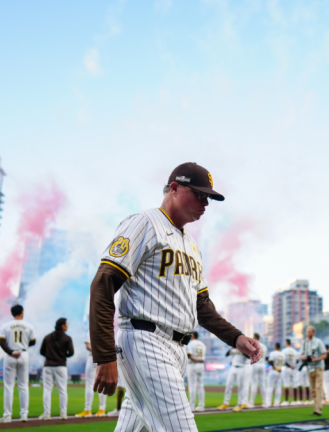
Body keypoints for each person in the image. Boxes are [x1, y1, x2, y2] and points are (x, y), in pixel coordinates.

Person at [89, 162, 261, 432]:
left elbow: (201, 307)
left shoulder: (191, 245)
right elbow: (103, 283)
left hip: (177, 349)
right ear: (174, 188)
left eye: (209, 198)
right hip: (145, 341)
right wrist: (105, 354)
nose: (206, 203)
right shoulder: (143, 223)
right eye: (200, 194)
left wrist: (236, 337)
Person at [0, 304, 37, 423]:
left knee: (9, 386)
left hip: (10, 355)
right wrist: (22, 348)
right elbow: (33, 341)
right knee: (23, 385)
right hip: (23, 354)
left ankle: (7, 415)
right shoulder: (28, 325)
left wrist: (11, 352)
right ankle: (24, 414)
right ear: (22, 312)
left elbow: (1, 342)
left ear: (12, 313)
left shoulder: (5, 326)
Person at [39, 318, 74, 420]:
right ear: (62, 326)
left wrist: (50, 355)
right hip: (61, 366)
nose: (68, 326)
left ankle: (47, 414)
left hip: (48, 365)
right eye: (67, 324)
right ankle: (63, 413)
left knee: (47, 390)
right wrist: (62, 355)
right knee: (63, 390)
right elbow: (71, 353)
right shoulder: (67, 338)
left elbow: (42, 351)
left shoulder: (47, 337)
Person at [76, 327, 108, 418]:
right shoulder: (106, 329)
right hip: (104, 358)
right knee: (102, 384)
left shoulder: (92, 329)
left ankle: (87, 410)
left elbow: (88, 346)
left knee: (90, 384)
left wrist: (97, 352)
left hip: (93, 358)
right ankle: (102, 410)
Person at [299, 326, 326, 416]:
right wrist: (306, 358)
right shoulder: (304, 343)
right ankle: (316, 407)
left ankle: (318, 409)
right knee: (313, 389)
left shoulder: (318, 342)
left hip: (318, 367)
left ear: (313, 333)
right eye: (307, 332)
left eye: (310, 332)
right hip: (309, 368)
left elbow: (324, 355)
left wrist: (316, 359)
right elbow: (301, 355)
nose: (308, 333)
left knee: (318, 387)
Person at [218, 347, 248, 411]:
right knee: (228, 385)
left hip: (241, 367)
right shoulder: (233, 349)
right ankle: (226, 403)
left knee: (240, 387)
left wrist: (241, 350)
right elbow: (226, 355)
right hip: (233, 367)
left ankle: (239, 404)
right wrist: (231, 348)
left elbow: (248, 357)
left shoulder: (245, 349)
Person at [186, 332, 206, 412]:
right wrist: (200, 360)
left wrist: (197, 360)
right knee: (201, 386)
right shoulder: (203, 344)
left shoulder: (190, 343)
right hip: (201, 365)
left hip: (193, 365)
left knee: (192, 386)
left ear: (193, 336)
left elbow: (189, 356)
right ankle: (201, 405)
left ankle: (192, 406)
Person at [248, 333, 267, 409]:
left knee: (254, 384)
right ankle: (265, 402)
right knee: (262, 384)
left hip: (255, 364)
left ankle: (251, 403)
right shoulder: (264, 346)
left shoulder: (254, 345)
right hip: (262, 364)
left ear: (255, 338)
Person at [280, 339, 298, 406]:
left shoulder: (284, 351)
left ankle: (286, 401)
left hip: (287, 368)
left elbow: (283, 360)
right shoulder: (295, 351)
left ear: (286, 343)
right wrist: (293, 366)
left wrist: (290, 366)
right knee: (294, 384)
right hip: (293, 369)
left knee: (286, 384)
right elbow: (297, 360)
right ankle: (295, 400)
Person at [266, 343, 284, 407]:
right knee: (278, 387)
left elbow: (270, 362)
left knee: (270, 387)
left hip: (274, 371)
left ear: (275, 347)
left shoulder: (273, 353)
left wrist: (276, 368)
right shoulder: (282, 354)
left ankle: (268, 403)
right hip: (280, 371)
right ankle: (277, 403)